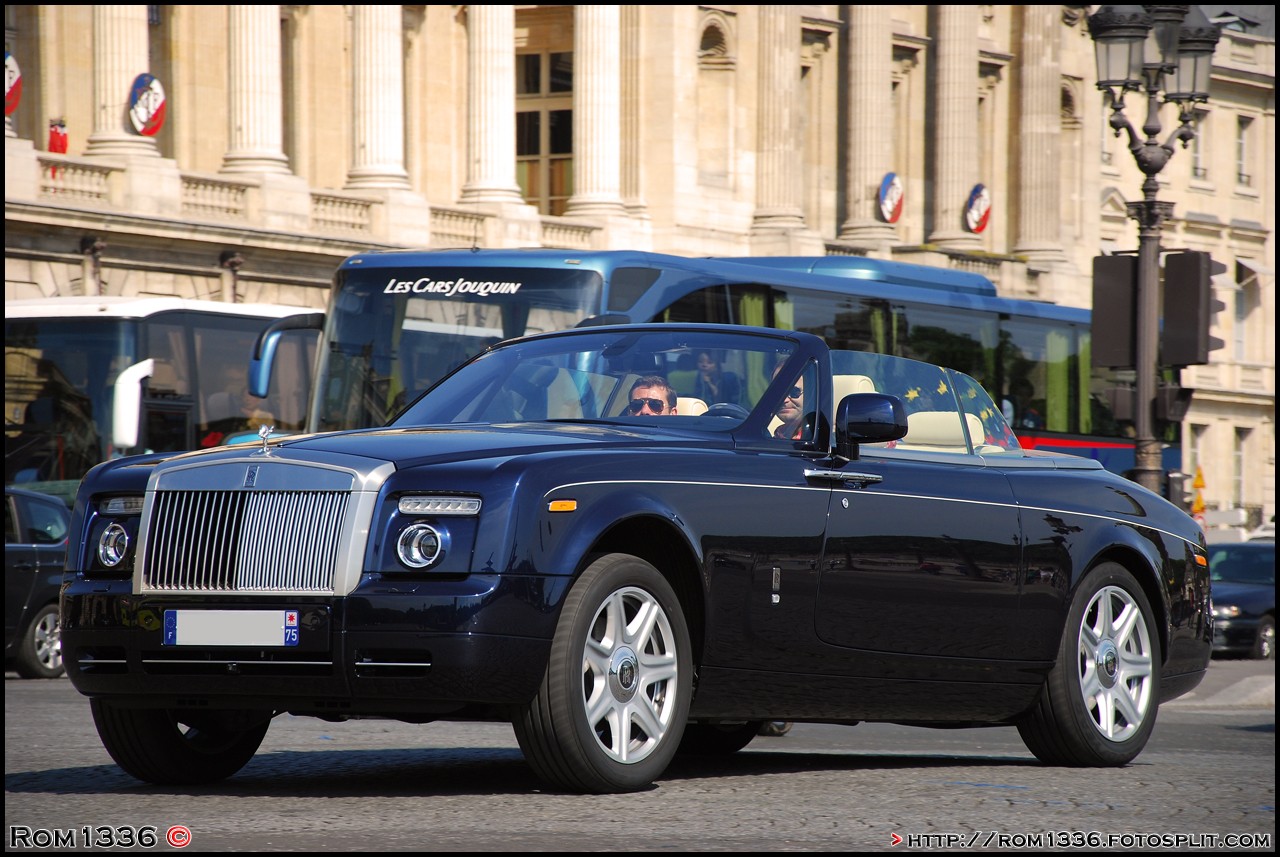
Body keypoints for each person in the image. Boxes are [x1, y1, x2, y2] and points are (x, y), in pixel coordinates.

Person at [771, 366, 807, 439]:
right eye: (778, 393)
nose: (784, 400)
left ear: (812, 393)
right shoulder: (768, 439)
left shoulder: (828, 440)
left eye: (794, 392)